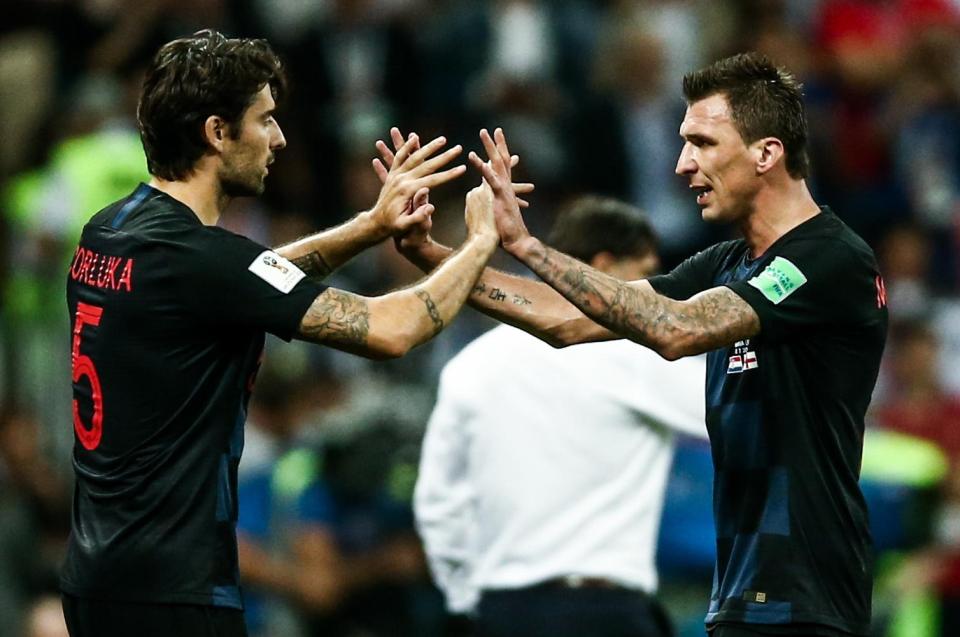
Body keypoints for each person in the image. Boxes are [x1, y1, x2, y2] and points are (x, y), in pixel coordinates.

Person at [394, 52, 889, 637]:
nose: (682, 164)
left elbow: (678, 328)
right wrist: (437, 257)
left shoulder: (831, 258)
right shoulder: (726, 262)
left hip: (810, 594)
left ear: (766, 153)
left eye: (702, 142)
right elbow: (569, 321)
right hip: (742, 589)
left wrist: (527, 247)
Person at [61, 29, 502, 637]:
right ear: (217, 133)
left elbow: (244, 279)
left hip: (96, 577)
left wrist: (370, 226)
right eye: (265, 120)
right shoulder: (205, 260)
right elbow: (391, 330)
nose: (280, 139)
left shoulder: (111, 229)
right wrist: (481, 242)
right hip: (175, 593)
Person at [414, 196, 707, 637]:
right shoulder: (632, 353)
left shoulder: (469, 367)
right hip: (603, 613)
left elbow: (439, 505)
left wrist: (466, 599)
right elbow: (732, 408)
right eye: (646, 276)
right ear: (606, 265)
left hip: (502, 613)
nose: (653, 297)